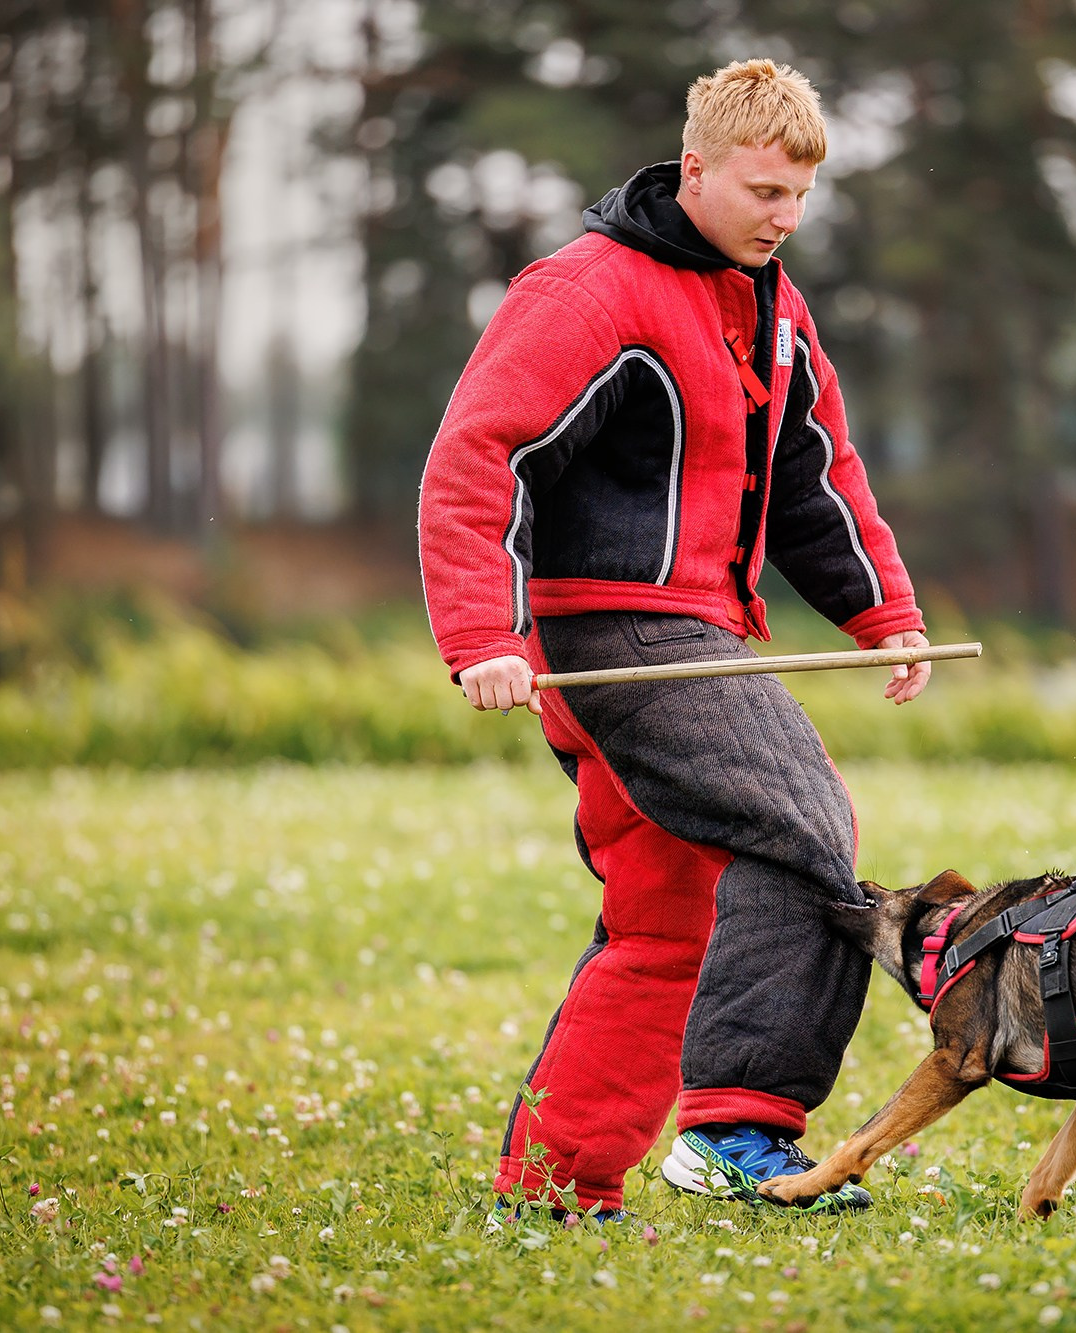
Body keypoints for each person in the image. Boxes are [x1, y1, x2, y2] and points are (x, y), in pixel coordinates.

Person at [418, 58, 931, 1218]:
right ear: (692, 169)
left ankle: (557, 1185)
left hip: (703, 631)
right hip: (615, 638)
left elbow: (814, 479)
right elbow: (476, 458)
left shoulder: (775, 304)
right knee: (807, 828)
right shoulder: (586, 292)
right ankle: (737, 1128)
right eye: (760, 193)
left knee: (671, 921)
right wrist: (480, 632)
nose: (782, 218)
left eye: (799, 197)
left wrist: (882, 610)